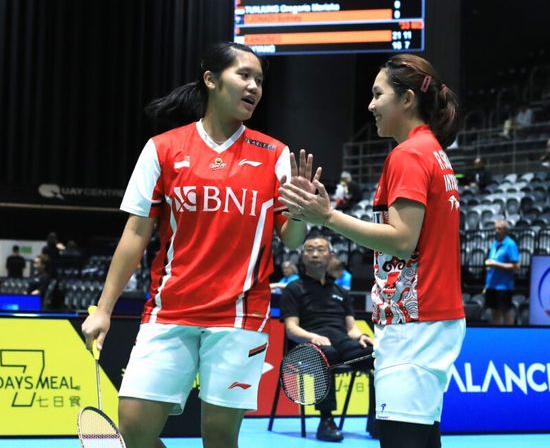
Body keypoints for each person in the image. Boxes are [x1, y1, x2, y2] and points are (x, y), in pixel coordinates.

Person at [80, 42, 319, 448]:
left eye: (259, 80)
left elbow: (292, 240)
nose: (254, 87)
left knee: (220, 437)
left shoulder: (275, 154)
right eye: (243, 75)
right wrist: (104, 309)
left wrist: (301, 212)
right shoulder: (163, 148)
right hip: (170, 309)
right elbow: (136, 234)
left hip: (241, 316)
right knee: (135, 429)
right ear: (210, 79)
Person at [279, 54, 466, 448]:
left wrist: (326, 216)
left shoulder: (409, 155)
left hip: (416, 321)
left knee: (403, 440)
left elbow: (401, 239)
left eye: (378, 94)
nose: (370, 105)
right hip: (427, 317)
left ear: (407, 99)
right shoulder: (431, 151)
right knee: (421, 437)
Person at [280, 233, 375, 442]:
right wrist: (312, 337)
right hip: (307, 350)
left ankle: (378, 420)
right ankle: (326, 420)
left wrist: (363, 337)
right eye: (309, 250)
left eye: (320, 249)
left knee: (377, 356)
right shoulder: (293, 289)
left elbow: (351, 329)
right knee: (327, 355)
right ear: (302, 256)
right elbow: (291, 329)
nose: (315, 254)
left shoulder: (341, 291)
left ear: (331, 255)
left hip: (342, 344)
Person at [482, 219, 520, 326]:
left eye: (499, 229)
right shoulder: (494, 243)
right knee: (494, 311)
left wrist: (496, 265)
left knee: (506, 310)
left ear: (505, 231)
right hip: (492, 285)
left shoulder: (510, 244)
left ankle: (509, 333)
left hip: (504, 286)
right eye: (495, 228)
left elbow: (516, 266)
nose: (496, 231)